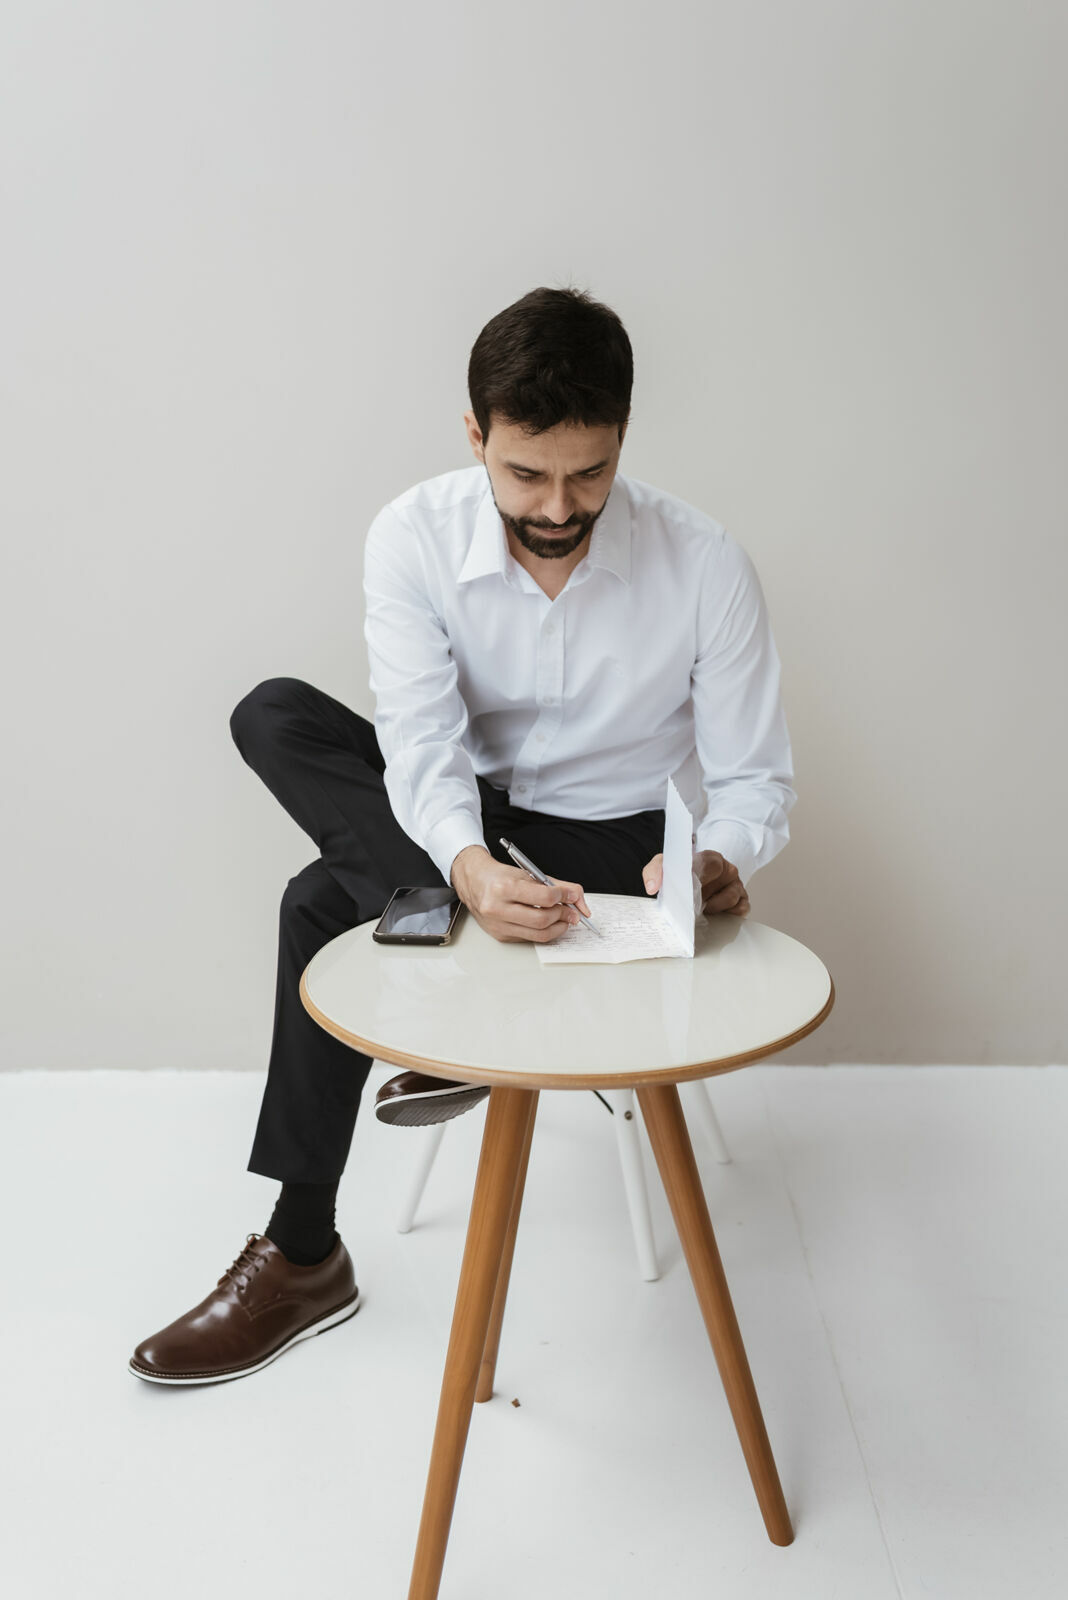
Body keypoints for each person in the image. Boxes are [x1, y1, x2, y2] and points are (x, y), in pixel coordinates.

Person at [128, 286, 796, 1387]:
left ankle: (302, 1252)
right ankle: (467, 950)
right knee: (274, 712)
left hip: (608, 846)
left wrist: (719, 856)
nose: (556, 504)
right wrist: (469, 869)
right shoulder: (413, 534)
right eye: (526, 473)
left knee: (313, 899)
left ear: (622, 437)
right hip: (463, 819)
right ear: (476, 433)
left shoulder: (705, 561)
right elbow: (421, 746)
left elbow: (755, 777)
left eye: (589, 473)